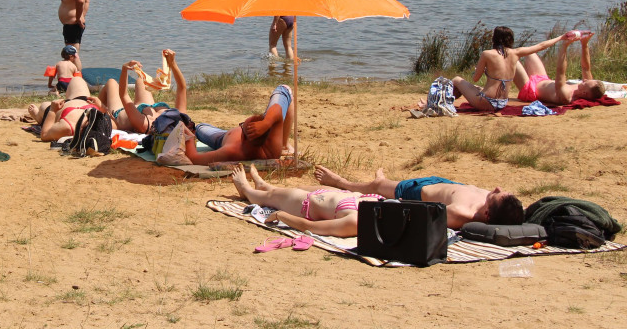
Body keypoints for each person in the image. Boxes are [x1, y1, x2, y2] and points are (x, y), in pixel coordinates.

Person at [313, 166, 524, 229]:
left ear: (487, 214)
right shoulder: (506, 209)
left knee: (378, 186)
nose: (496, 188)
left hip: (417, 191)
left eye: (495, 195)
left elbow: (423, 214)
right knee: (381, 184)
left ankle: (339, 182)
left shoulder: (461, 214)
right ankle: (381, 182)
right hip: (447, 184)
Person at [231, 164, 384, 237]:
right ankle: (264, 186)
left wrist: (281, 215)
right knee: (295, 188)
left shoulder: (355, 223)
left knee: (273, 196)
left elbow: (311, 226)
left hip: (307, 205)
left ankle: (246, 190)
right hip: (336, 196)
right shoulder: (384, 204)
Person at [451, 26, 570, 112]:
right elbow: (541, 46)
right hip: (502, 103)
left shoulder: (486, 54)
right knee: (477, 88)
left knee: (457, 80)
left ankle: (444, 102)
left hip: (486, 102)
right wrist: (560, 37)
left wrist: (482, 70)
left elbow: (475, 78)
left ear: (494, 39)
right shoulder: (516, 53)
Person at [186, 84, 296, 164]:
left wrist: (189, 135)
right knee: (284, 89)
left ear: (243, 138)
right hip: (263, 127)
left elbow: (194, 158)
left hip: (221, 138)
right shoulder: (272, 140)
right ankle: (286, 144)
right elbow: (277, 108)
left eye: (242, 125)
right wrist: (266, 122)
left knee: (200, 128)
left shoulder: (232, 151)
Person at [99, 49, 186, 133]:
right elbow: (182, 88)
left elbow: (124, 95)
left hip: (121, 113)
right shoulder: (176, 120)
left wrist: (124, 70)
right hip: (147, 107)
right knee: (141, 80)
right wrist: (172, 63)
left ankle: (94, 112)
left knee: (112, 83)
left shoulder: (145, 125)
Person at [514, 31, 604, 105]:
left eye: (585, 83)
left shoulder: (566, 96)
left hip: (530, 90)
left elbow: (560, 72)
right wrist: (584, 45)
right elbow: (586, 68)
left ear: (584, 93)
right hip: (543, 79)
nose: (584, 80)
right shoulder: (587, 87)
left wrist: (564, 46)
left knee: (511, 58)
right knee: (529, 51)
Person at [27, 76, 105, 142]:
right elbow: (114, 119)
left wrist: (52, 110)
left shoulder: (67, 128)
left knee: (43, 106)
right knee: (77, 79)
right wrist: (102, 107)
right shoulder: (103, 123)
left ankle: (39, 117)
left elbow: (44, 135)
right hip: (84, 101)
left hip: (59, 110)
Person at [58, 0, 89, 69]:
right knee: (72, 53)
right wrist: (82, 16)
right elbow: (87, 0)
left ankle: (77, 79)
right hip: (73, 25)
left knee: (72, 54)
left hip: (72, 25)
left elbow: (81, 1)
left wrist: (78, 18)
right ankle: (74, 78)